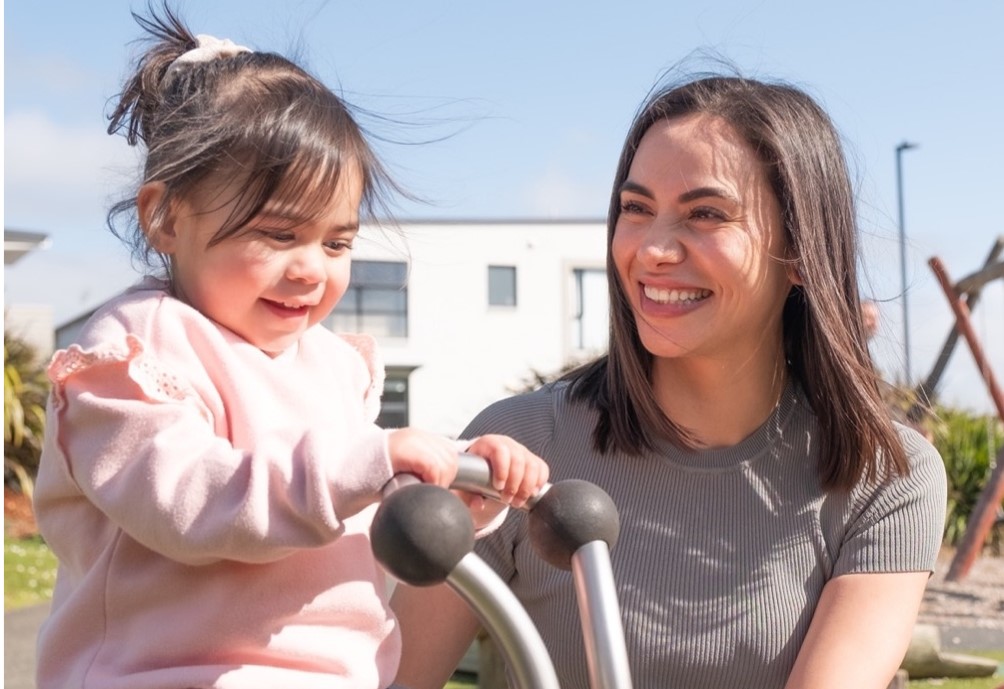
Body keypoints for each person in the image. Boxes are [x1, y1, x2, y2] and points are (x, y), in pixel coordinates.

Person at [32, 7, 548, 689]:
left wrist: (451, 497)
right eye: (278, 235)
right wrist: (367, 463)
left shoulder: (333, 367)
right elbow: (189, 501)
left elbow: (348, 538)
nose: (312, 268)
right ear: (164, 216)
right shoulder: (136, 354)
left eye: (336, 242)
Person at [392, 74, 947, 688]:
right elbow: (388, 676)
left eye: (705, 214)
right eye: (636, 209)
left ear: (800, 250)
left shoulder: (887, 476)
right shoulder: (518, 446)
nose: (653, 249)